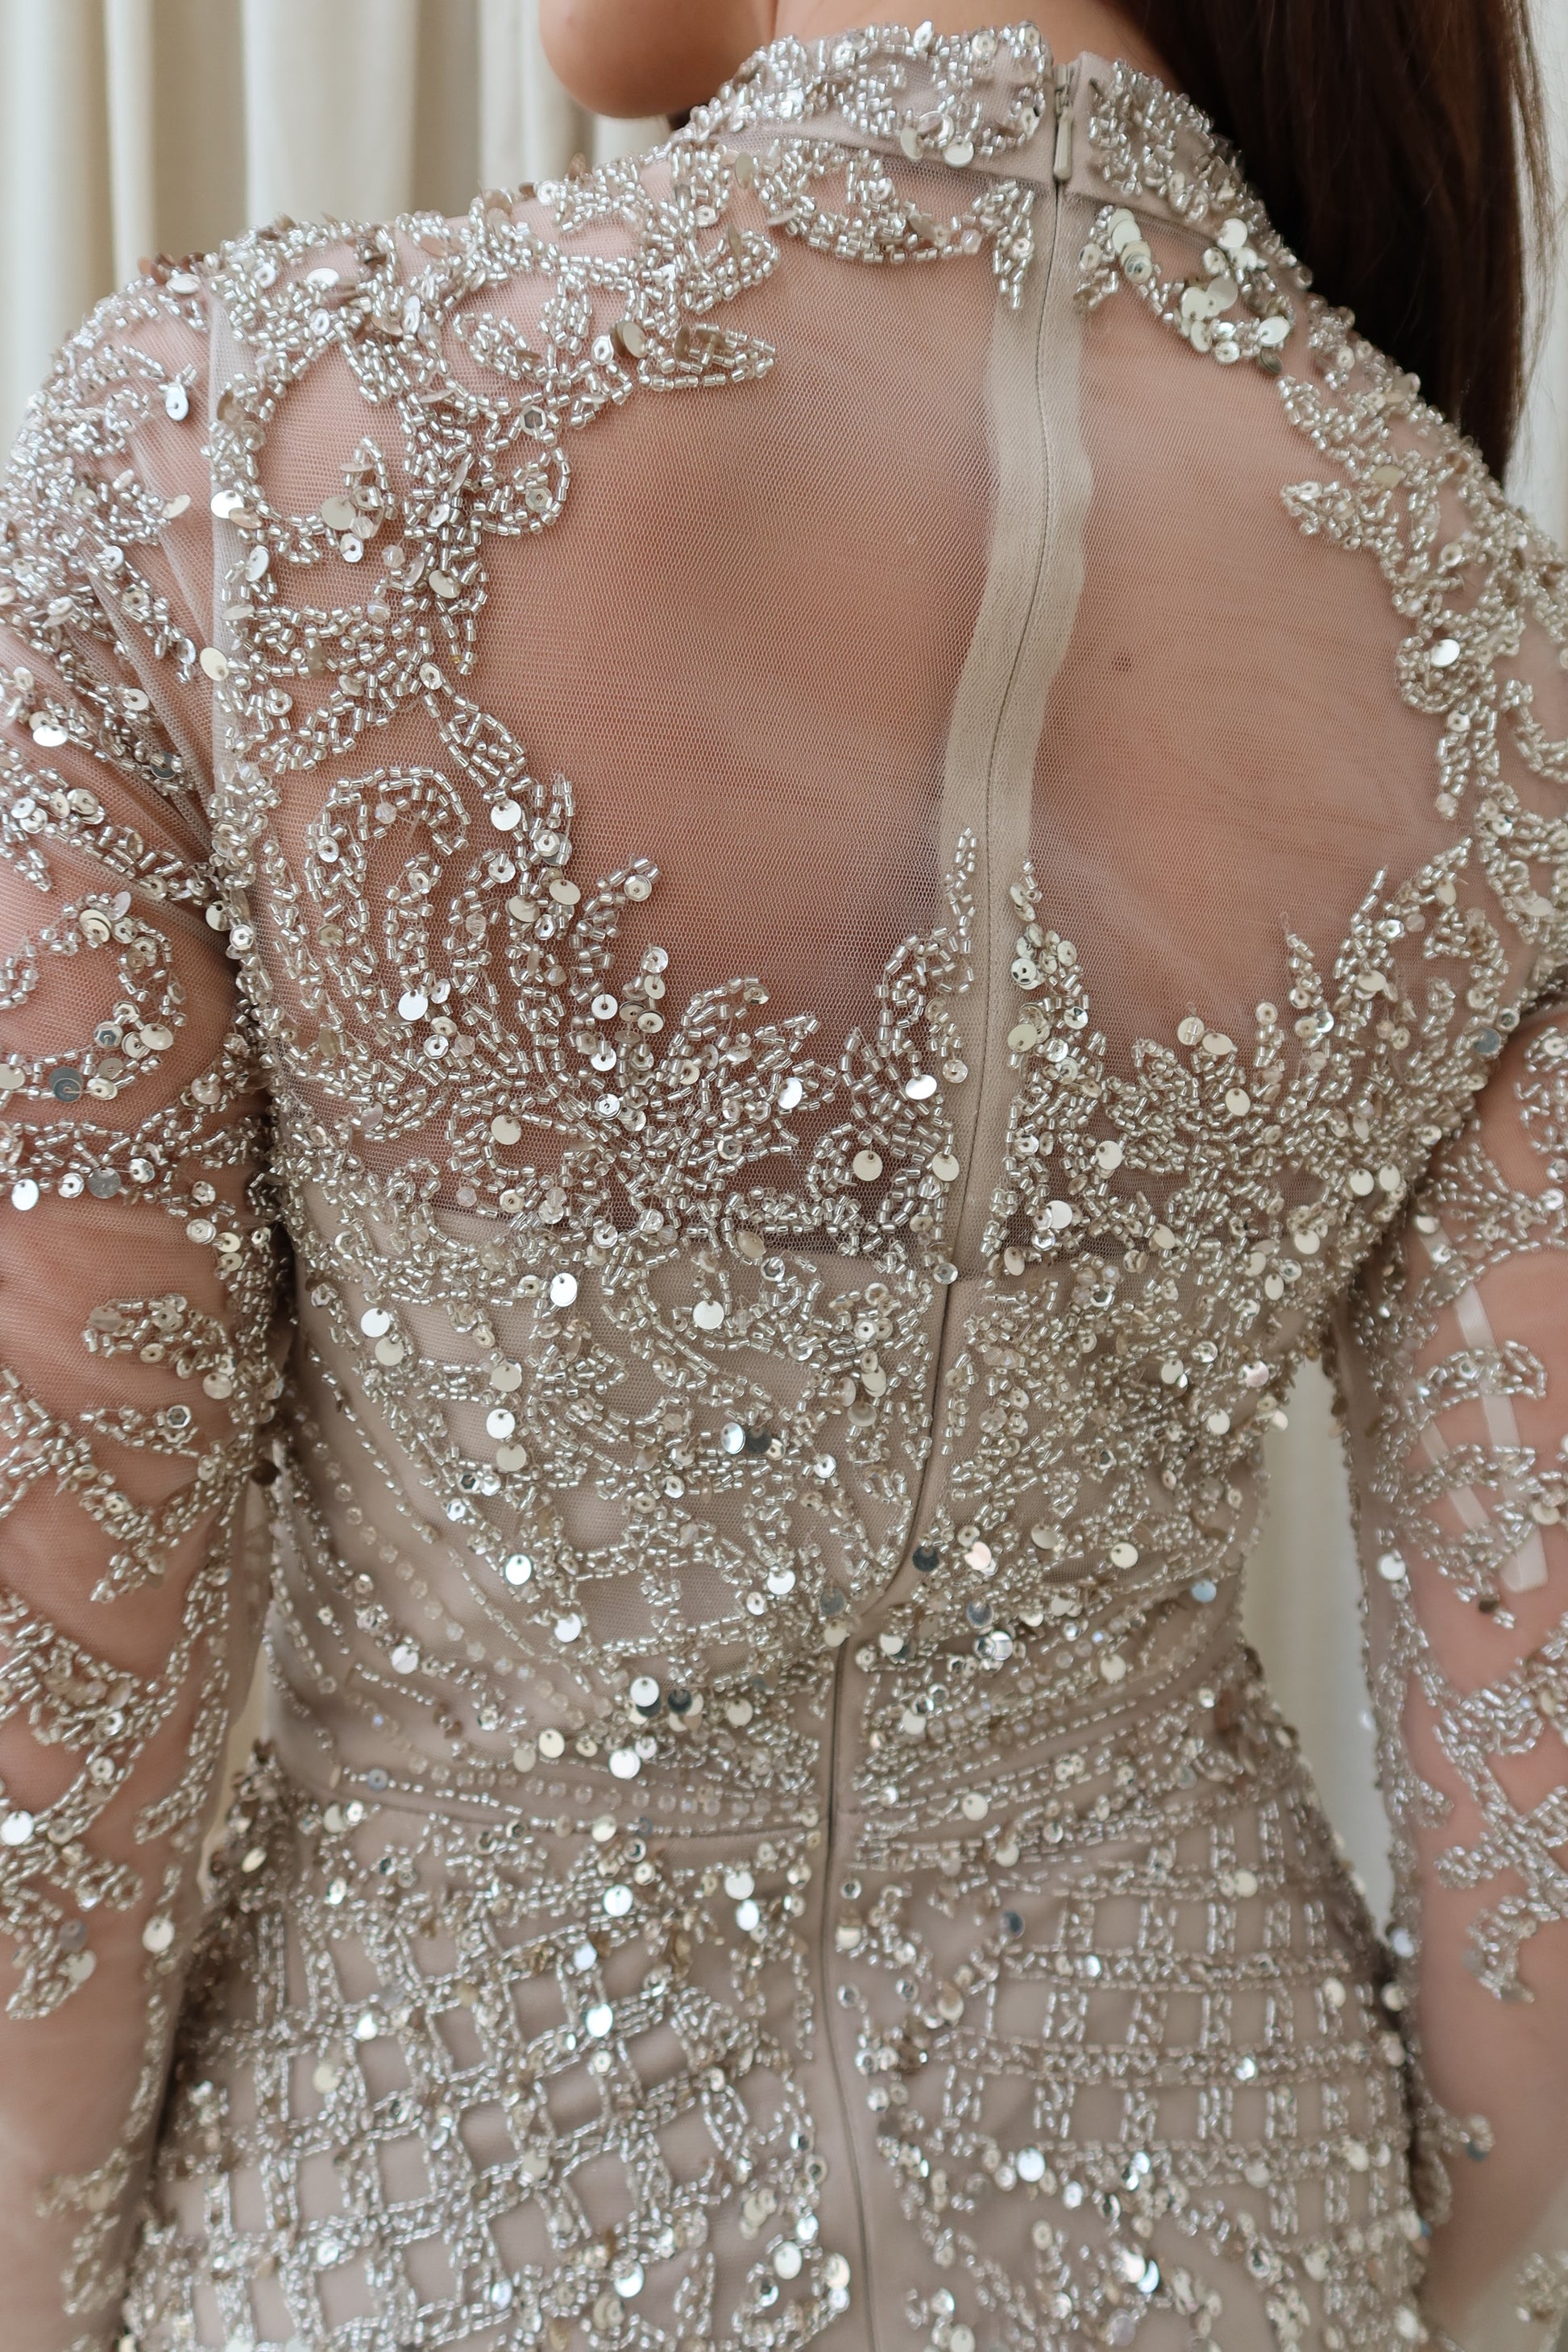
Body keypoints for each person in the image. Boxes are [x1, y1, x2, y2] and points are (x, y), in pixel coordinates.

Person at [0, 0, 1562, 2345]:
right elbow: (1535, 1825)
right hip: (1226, 2221)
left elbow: (50, 1663)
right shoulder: (1504, 676)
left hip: (419, 2235)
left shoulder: (227, 456)